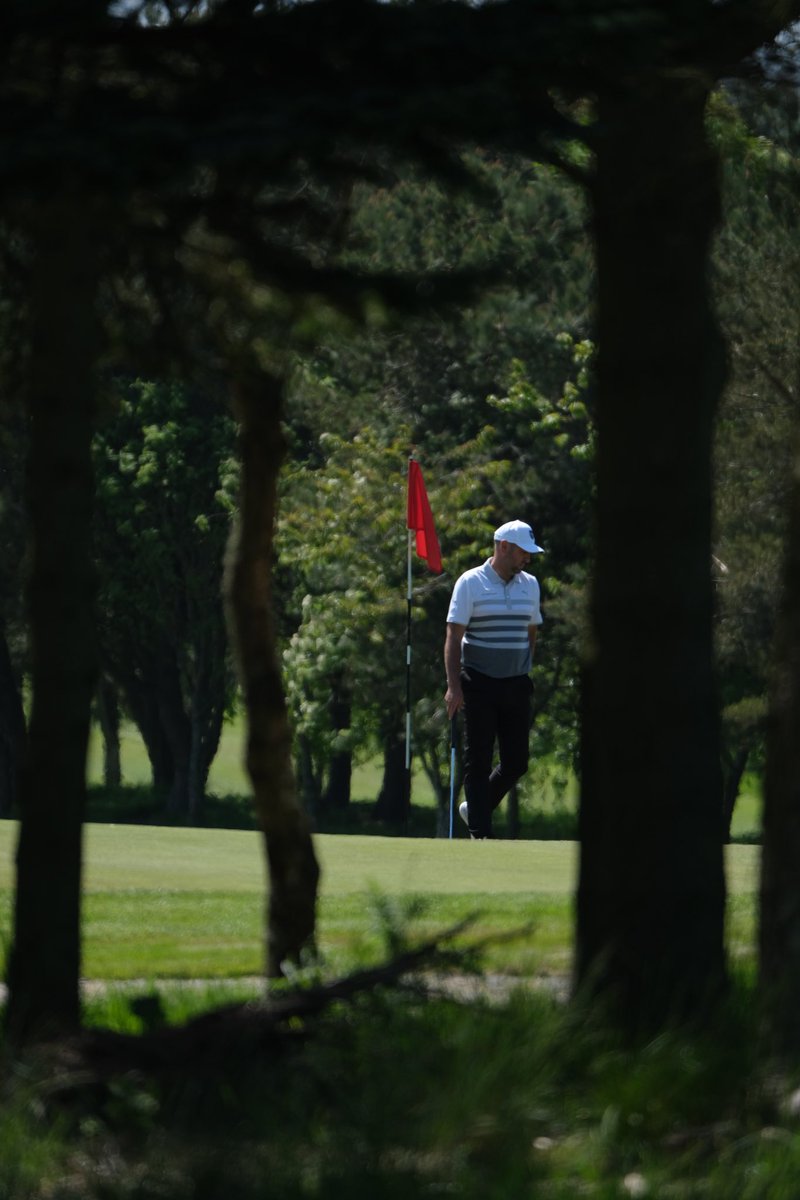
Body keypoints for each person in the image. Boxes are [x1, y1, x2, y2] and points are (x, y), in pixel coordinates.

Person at [444, 520, 544, 839]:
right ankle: (480, 832)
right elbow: (453, 635)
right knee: (479, 758)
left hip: (515, 682)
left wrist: (521, 666)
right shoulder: (470, 582)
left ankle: (475, 808)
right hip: (479, 682)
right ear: (503, 547)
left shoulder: (530, 584)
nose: (527, 559)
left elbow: (532, 631)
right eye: (522, 552)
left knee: (517, 761)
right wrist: (454, 686)